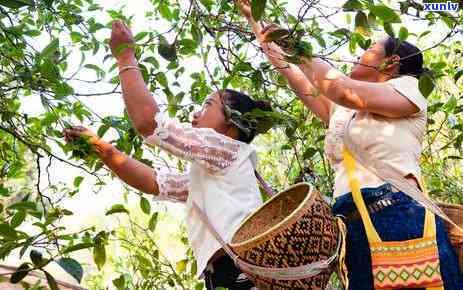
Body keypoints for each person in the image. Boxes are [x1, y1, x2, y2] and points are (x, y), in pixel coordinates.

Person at [237, 1, 463, 289]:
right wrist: (255, 19)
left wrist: (297, 47)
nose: (357, 55)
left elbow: (340, 88)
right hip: (352, 223)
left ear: (389, 63)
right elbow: (292, 72)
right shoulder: (342, 113)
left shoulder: (410, 88)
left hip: (398, 210)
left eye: (367, 50)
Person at [63, 20, 273, 290]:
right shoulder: (216, 173)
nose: (195, 114)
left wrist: (125, 55)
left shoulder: (227, 149)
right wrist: (100, 147)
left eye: (207, 105)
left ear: (232, 127)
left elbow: (150, 124)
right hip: (226, 272)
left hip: (241, 269)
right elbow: (156, 182)